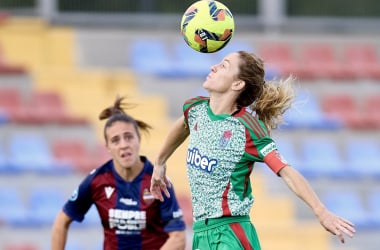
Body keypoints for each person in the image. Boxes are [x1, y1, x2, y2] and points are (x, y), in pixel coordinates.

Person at [150, 51, 356, 250]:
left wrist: (321, 212)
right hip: (200, 234)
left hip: (230, 233)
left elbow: (286, 171)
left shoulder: (247, 128)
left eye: (223, 66)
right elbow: (182, 125)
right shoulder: (195, 109)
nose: (213, 67)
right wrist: (160, 162)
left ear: (237, 84)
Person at [51, 96, 186, 250]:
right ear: (107, 146)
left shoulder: (158, 181)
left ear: (138, 139)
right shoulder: (97, 180)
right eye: (115, 140)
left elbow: (178, 239)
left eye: (128, 137)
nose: (123, 145)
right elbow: (61, 221)